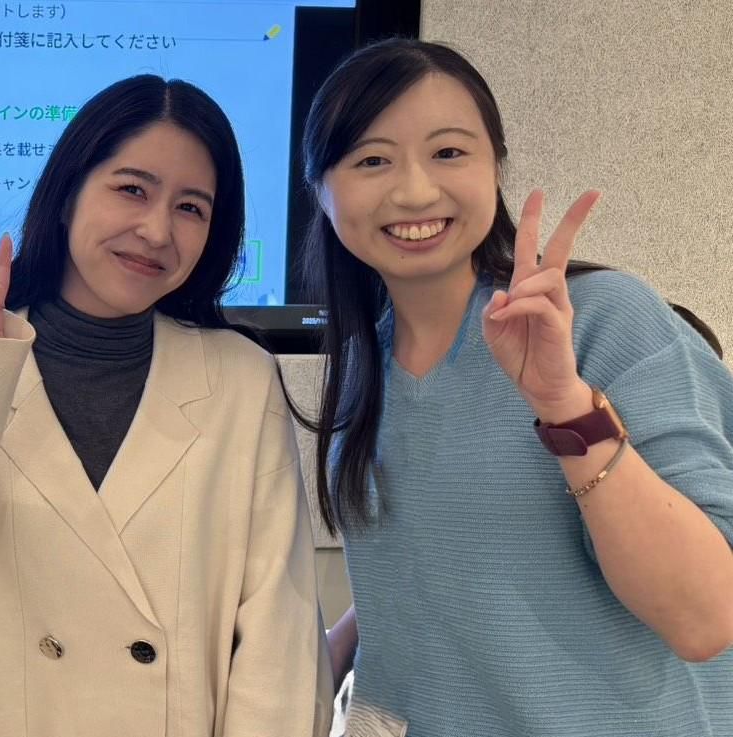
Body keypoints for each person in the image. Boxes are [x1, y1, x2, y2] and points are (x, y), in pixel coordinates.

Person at [301, 38, 733, 736]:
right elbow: (439, 555)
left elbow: (704, 618)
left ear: (495, 167)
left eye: (448, 152)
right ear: (321, 191)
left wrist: (563, 405)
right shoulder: (362, 362)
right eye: (371, 160)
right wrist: (324, 657)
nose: (414, 191)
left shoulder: (604, 318)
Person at [0, 75, 332, 737]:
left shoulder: (240, 379)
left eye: (190, 207)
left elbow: (279, 642)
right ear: (67, 193)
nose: (157, 230)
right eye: (132, 189)